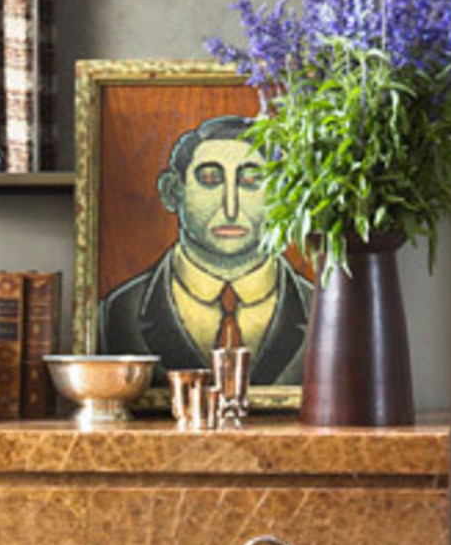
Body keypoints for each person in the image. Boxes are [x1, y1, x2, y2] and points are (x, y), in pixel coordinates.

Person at [97, 113, 313, 383]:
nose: (231, 208)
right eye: (210, 179)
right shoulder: (117, 312)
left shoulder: (321, 309)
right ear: (173, 191)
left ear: (283, 193)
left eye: (251, 181)